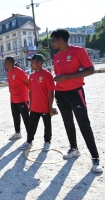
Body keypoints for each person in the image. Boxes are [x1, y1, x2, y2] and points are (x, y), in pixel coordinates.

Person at [51, 29, 102, 173]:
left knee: (84, 124)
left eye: (53, 40)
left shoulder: (78, 51)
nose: (52, 43)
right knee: (68, 122)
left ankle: (95, 158)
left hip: (75, 92)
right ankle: (74, 149)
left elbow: (91, 70)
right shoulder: (56, 57)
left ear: (61, 39)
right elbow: (59, 74)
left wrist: (66, 78)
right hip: (60, 93)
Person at [19, 54, 55, 151]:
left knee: (47, 125)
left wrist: (50, 107)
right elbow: (30, 91)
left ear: (39, 63)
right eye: (30, 62)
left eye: (33, 62)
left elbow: (51, 92)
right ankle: (29, 142)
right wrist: (30, 104)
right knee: (31, 125)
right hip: (34, 107)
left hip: (45, 107)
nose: (30, 64)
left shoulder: (47, 75)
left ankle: (47, 142)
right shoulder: (32, 75)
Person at [4, 56, 30, 140]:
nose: (4, 64)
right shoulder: (8, 72)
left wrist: (29, 96)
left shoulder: (19, 72)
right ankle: (18, 133)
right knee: (15, 117)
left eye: (5, 62)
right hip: (13, 99)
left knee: (26, 118)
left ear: (10, 63)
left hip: (22, 98)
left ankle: (30, 137)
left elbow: (28, 83)